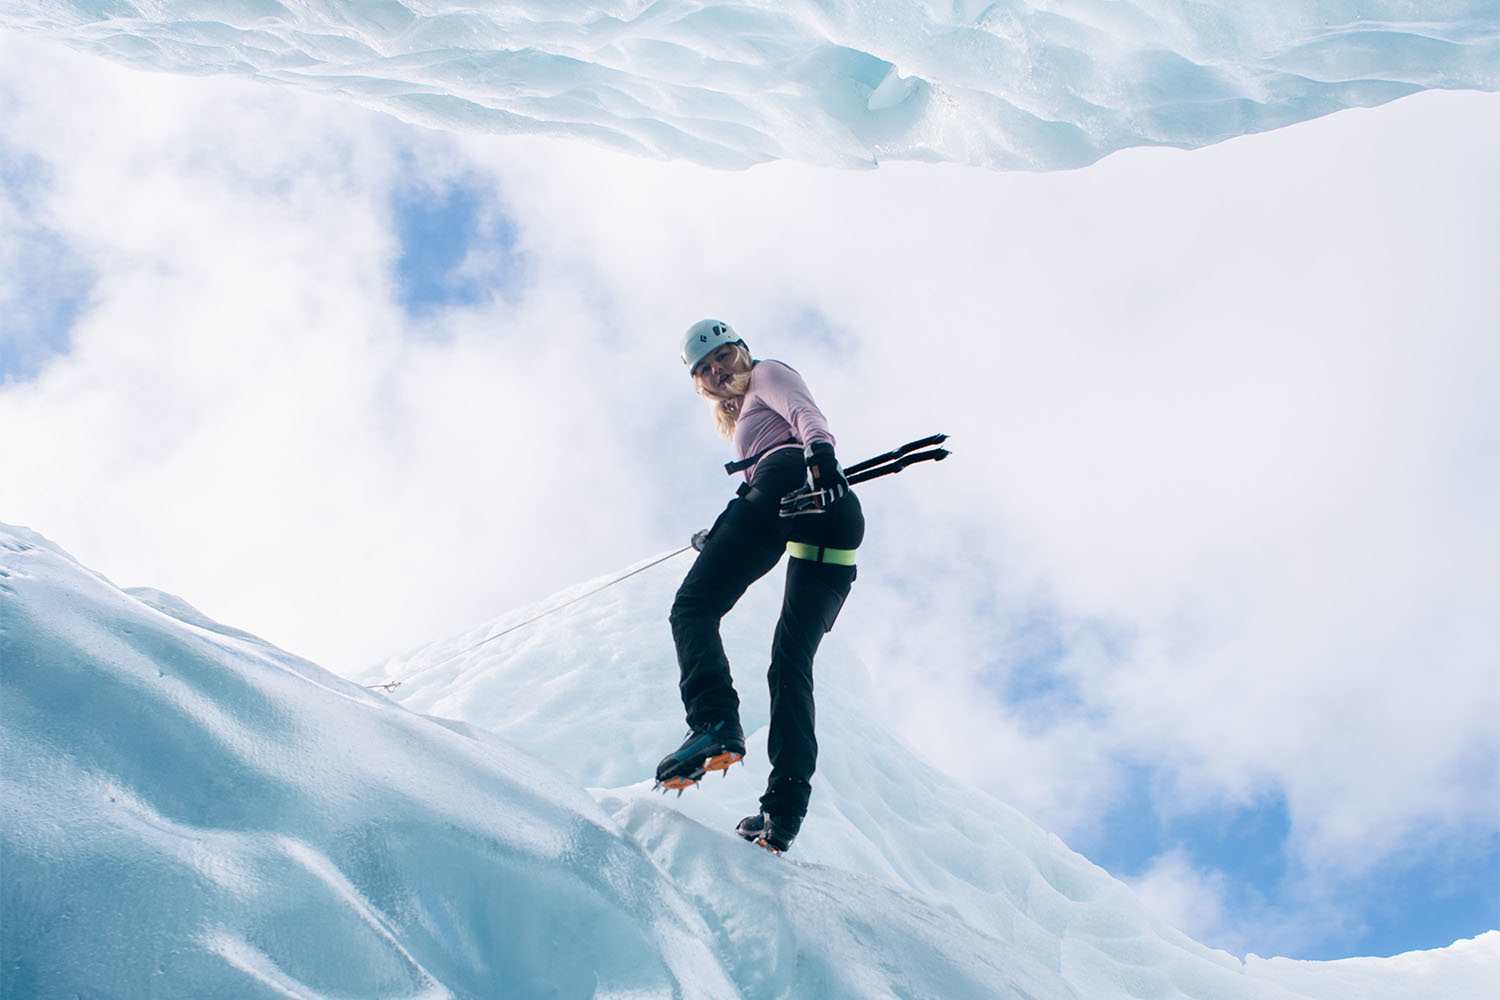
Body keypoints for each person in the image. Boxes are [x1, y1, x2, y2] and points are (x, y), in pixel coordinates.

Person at [654, 319, 865, 855]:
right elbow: (761, 494)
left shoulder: (770, 372)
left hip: (796, 480)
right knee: (789, 665)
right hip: (830, 524)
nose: (717, 372)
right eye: (705, 370)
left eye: (722, 357)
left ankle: (714, 722)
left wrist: (821, 456)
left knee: (692, 609)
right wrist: (723, 534)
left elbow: (806, 417)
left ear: (743, 351)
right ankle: (783, 812)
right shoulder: (748, 419)